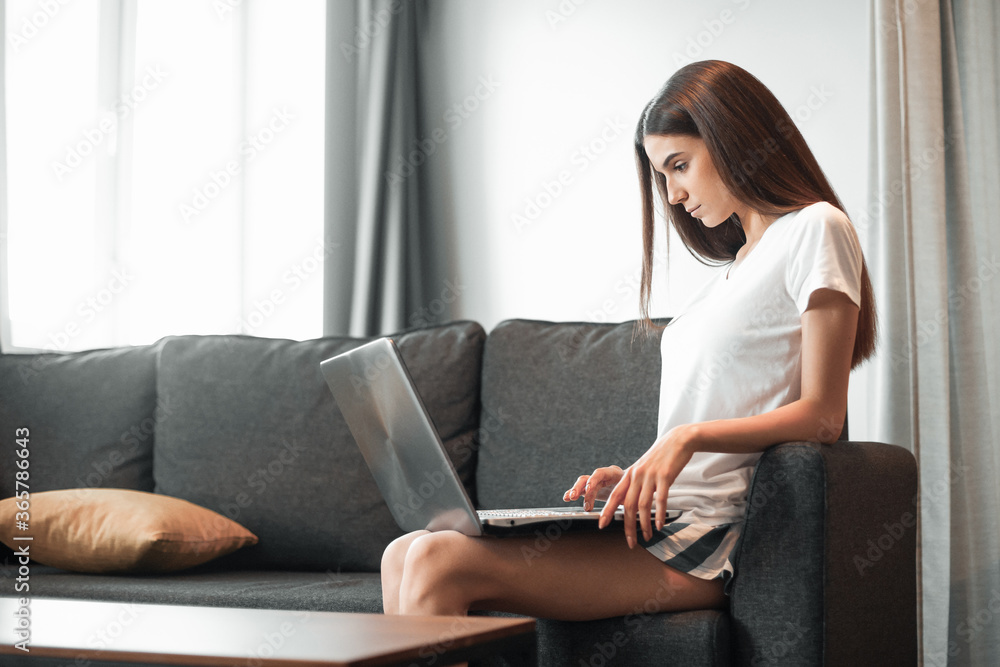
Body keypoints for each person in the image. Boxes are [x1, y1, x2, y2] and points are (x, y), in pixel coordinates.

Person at [380, 59, 877, 620]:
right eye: (661, 175)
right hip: (658, 520)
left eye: (679, 166)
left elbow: (823, 416)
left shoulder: (817, 228)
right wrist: (639, 471)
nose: (671, 194)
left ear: (735, 139)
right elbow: (727, 398)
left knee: (435, 561)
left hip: (704, 538)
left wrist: (684, 439)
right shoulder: (734, 270)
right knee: (404, 551)